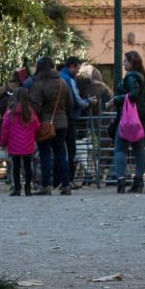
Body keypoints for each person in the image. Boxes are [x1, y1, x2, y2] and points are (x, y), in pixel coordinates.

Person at [30, 56, 72, 195]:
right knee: (61, 154)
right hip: (62, 123)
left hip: (45, 124)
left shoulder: (39, 84)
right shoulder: (63, 83)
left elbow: (36, 107)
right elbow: (69, 104)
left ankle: (46, 185)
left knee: (45, 154)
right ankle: (66, 185)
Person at [109, 51, 145, 193]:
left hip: (127, 117)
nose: (123, 64)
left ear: (132, 63)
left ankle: (121, 181)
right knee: (139, 149)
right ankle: (138, 181)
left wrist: (116, 99)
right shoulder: (142, 77)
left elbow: (132, 95)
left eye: (125, 61)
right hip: (139, 118)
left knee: (120, 148)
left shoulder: (131, 77)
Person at [60, 56, 93, 189]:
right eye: (77, 69)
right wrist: (88, 102)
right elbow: (77, 100)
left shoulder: (59, 76)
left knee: (60, 151)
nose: (78, 72)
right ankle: (69, 179)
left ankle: (60, 180)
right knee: (71, 151)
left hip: (58, 118)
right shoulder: (69, 79)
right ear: (72, 66)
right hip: (70, 118)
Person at [0, 88, 40, 196]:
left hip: (14, 144)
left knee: (16, 167)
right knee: (28, 166)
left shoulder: (9, 113)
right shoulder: (31, 113)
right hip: (28, 144)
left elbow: (4, 130)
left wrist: (3, 143)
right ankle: (28, 189)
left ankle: (17, 188)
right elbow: (37, 127)